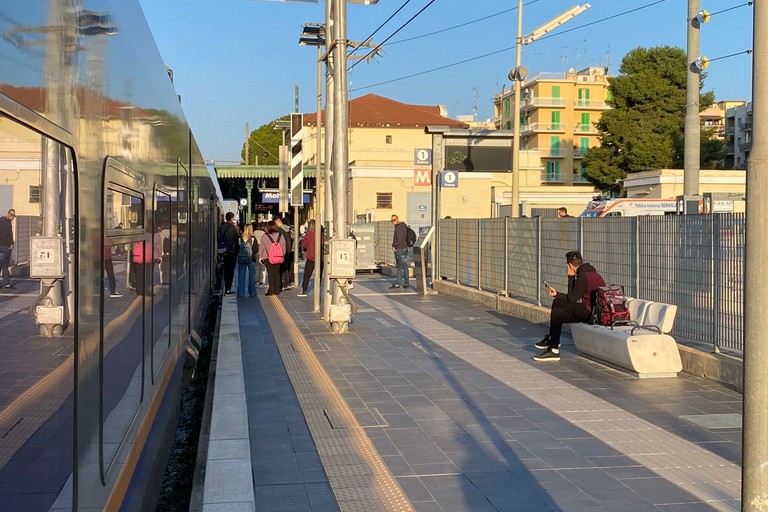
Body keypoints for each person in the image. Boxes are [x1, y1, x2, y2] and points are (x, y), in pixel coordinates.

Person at [533, 250, 605, 362]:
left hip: (591, 313)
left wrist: (570, 278)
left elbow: (572, 298)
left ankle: (554, 348)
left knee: (557, 312)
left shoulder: (583, 276)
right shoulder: (589, 271)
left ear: (570, 265)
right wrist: (557, 294)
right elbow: (573, 296)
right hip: (592, 310)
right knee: (557, 306)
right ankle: (552, 342)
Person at [258, 220, 286, 296]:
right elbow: (283, 247)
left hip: (267, 257)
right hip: (278, 257)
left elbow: (262, 247)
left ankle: (271, 290)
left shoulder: (265, 236)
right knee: (277, 273)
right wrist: (282, 255)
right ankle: (277, 290)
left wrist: (260, 256)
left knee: (270, 273)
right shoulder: (281, 235)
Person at [298, 219, 323, 297]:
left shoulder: (308, 234)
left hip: (311, 257)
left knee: (307, 274)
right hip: (320, 257)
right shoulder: (320, 234)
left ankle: (304, 290)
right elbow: (322, 244)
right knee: (319, 274)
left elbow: (305, 245)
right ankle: (318, 289)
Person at [219, 212, 240, 294]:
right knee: (230, 271)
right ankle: (228, 288)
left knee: (226, 270)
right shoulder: (232, 228)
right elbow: (237, 239)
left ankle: (226, 287)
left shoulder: (221, 227)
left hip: (222, 251)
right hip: (232, 252)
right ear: (231, 218)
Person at [236, 224, 257, 297]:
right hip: (250, 258)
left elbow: (236, 248)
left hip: (241, 259)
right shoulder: (253, 238)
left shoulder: (239, 238)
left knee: (241, 275)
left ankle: (241, 293)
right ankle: (252, 292)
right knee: (251, 276)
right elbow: (255, 249)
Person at [390, 214, 409, 289]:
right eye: (391, 220)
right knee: (404, 266)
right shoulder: (404, 226)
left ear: (397, 219)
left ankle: (398, 283)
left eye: (394, 220)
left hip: (399, 249)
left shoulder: (399, 228)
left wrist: (394, 245)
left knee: (400, 266)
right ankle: (406, 283)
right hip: (404, 248)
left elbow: (399, 239)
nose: (393, 222)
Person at [275, 216, 294, 291]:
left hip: (282, 250)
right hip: (288, 249)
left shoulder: (279, 230)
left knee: (282, 267)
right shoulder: (287, 229)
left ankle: (283, 282)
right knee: (286, 266)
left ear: (278, 222)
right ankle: (287, 282)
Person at [0, 208, 16, 289]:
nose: (12, 217)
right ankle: (7, 284)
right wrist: (11, 243)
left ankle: (5, 283)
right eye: (12, 215)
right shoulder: (7, 223)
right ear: (8, 214)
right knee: (5, 265)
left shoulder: (1, 221)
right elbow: (8, 235)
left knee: (1, 264)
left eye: (14, 215)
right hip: (5, 246)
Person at [253, 221, 267, 288]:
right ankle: (262, 281)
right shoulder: (264, 233)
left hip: (256, 251)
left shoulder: (254, 233)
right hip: (263, 252)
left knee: (256, 266)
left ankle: (256, 281)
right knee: (263, 267)